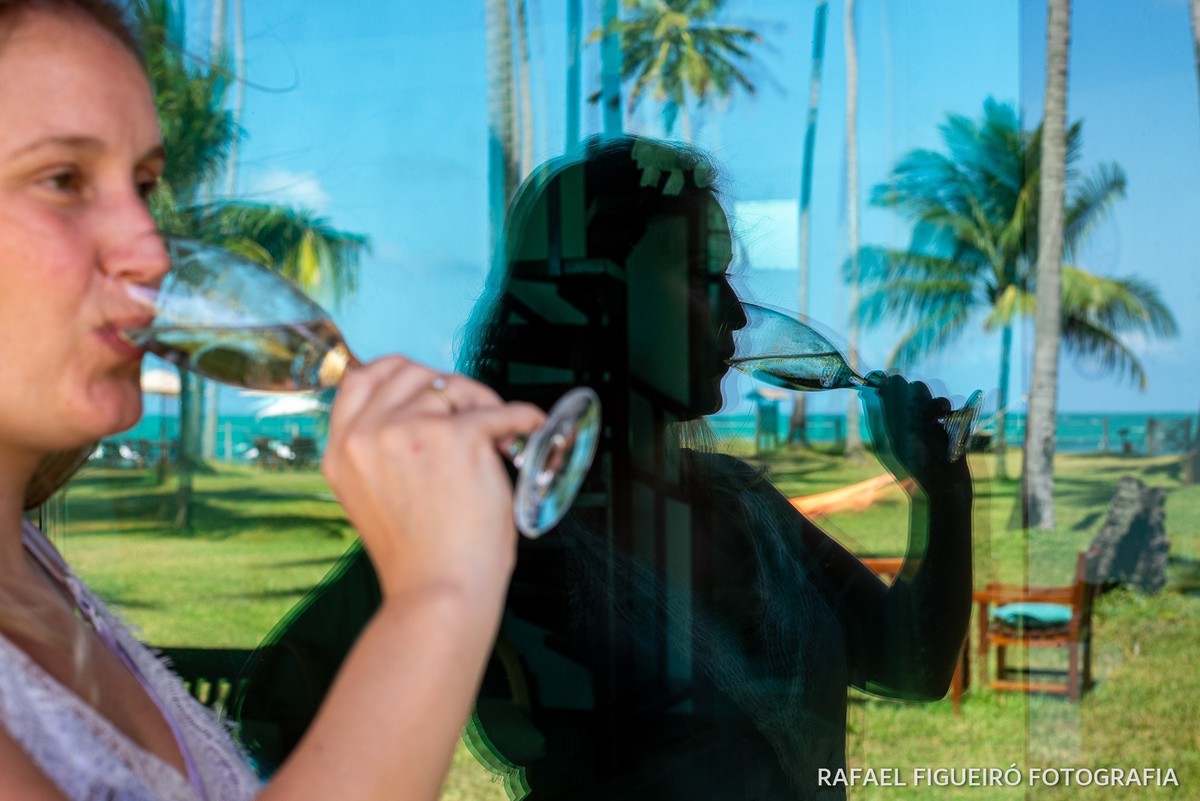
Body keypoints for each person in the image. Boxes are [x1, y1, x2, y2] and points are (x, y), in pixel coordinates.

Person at [240, 136, 974, 800]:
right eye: (697, 276)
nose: (738, 315)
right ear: (594, 297)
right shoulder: (507, 527)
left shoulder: (741, 504)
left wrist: (944, 492)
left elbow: (913, 663)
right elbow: (272, 715)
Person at [0, 2, 544, 800]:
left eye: (144, 183)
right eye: (63, 180)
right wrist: (440, 589)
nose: (150, 249)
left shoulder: (37, 580)